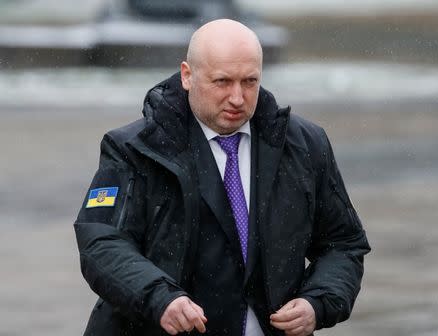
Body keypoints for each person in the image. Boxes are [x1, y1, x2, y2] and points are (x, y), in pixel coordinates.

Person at [74, 19, 370, 336]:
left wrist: (318, 302)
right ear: (187, 75)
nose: (237, 98)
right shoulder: (132, 148)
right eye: (222, 82)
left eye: (250, 82)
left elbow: (343, 244)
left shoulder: (306, 144)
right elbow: (102, 243)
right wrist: (160, 299)